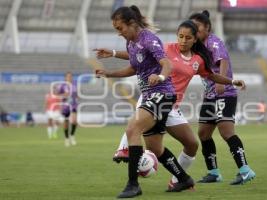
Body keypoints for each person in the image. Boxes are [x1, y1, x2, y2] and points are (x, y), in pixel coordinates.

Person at [94, 20, 246, 190]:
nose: (183, 40)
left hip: (172, 107)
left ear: (195, 39)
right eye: (180, 36)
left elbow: (212, 76)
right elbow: (138, 54)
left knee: (192, 144)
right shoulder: (166, 48)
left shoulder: (198, 60)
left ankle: (177, 179)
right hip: (155, 97)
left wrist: (232, 81)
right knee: (139, 130)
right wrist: (114, 53)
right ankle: (124, 150)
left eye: (188, 37)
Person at [95, 5, 195, 198]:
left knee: (133, 128)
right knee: (155, 148)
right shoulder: (131, 43)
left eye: (120, 28)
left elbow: (167, 63)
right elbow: (135, 68)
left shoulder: (149, 38)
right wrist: (110, 73)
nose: (119, 33)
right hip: (151, 96)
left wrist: (161, 77)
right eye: (116, 29)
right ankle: (183, 179)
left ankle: (133, 184)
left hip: (162, 94)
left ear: (131, 23)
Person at [189, 10, 255, 185]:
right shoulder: (196, 46)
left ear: (207, 28)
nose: (194, 31)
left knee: (226, 132)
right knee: (203, 133)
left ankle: (245, 170)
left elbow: (223, 60)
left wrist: (222, 82)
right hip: (209, 96)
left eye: (197, 27)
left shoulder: (213, 41)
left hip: (224, 93)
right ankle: (214, 173)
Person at [59, 72, 78, 147]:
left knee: (74, 121)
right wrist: (64, 95)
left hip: (73, 105)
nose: (70, 78)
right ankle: (66, 138)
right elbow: (58, 94)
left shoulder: (74, 84)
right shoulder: (62, 85)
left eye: (71, 76)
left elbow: (77, 94)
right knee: (66, 122)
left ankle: (72, 135)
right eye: (68, 76)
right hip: (65, 106)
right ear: (65, 78)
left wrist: (77, 96)